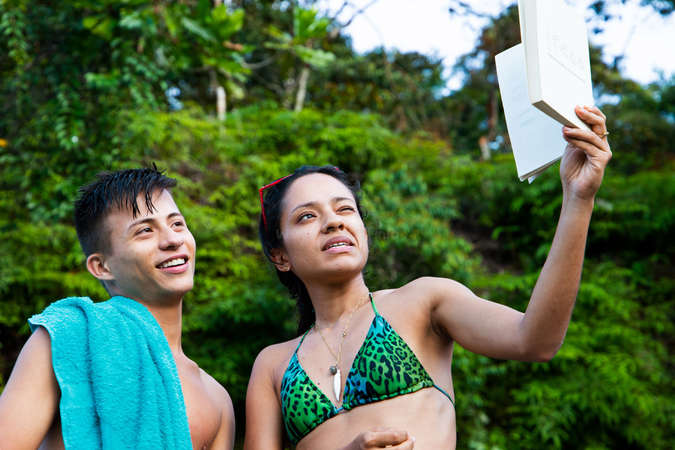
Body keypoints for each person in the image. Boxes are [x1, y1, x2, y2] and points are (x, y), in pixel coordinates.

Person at [244, 105, 612, 450]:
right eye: (307, 216)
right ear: (280, 256)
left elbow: (535, 340)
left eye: (345, 209)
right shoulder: (273, 365)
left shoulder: (422, 301)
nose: (334, 221)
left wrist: (578, 199)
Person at [0, 167, 235, 449]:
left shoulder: (216, 397)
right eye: (145, 231)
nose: (173, 240)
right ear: (101, 266)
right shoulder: (67, 340)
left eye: (177, 224)